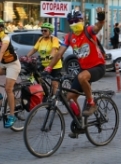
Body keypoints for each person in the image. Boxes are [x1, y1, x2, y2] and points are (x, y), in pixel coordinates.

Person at [43, 8, 106, 138]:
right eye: (71, 22)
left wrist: (101, 17)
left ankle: (91, 103)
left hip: (98, 67)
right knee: (69, 97)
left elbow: (98, 26)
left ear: (82, 20)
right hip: (84, 69)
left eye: (76, 21)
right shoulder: (69, 37)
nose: (74, 24)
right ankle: (80, 122)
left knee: (82, 77)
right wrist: (49, 68)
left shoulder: (88, 31)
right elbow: (59, 53)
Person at [26, 23, 62, 95]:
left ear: (50, 31)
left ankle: (54, 100)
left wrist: (50, 56)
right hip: (44, 64)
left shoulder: (54, 39)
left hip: (54, 65)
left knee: (54, 83)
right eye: (42, 30)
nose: (43, 32)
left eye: (45, 30)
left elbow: (54, 49)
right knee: (39, 77)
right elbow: (34, 49)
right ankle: (46, 92)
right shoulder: (40, 39)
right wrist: (26, 56)